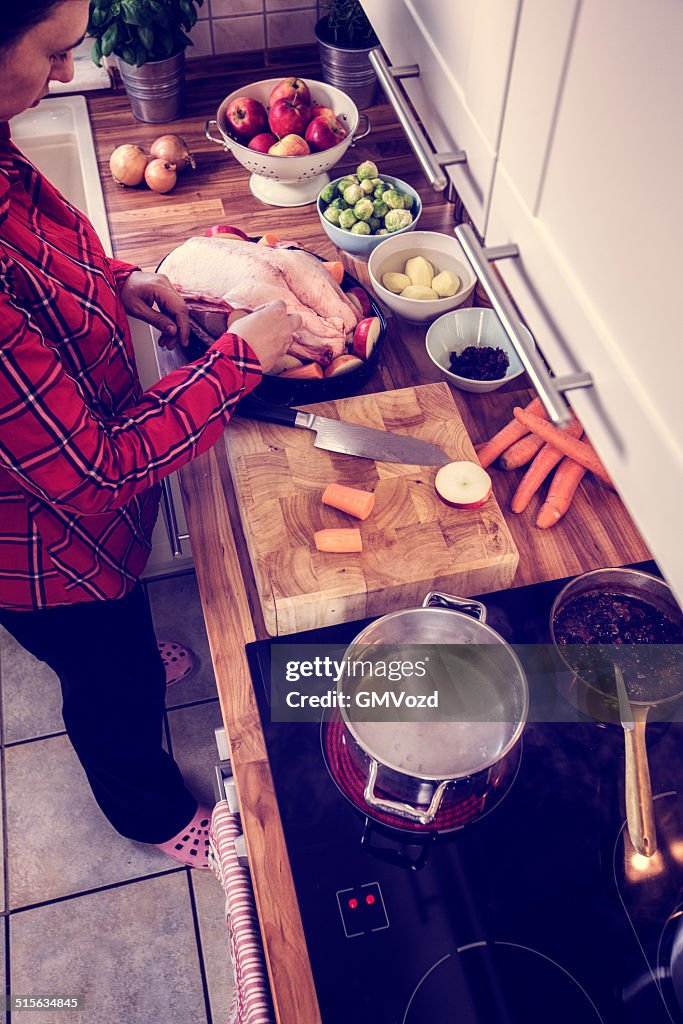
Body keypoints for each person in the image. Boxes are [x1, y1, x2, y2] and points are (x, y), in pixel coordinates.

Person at [0, 1, 300, 868]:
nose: (67, 72)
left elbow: (52, 253)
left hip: (79, 527)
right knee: (106, 685)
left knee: (119, 625)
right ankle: (150, 814)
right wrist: (239, 360)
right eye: (54, 53)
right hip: (43, 551)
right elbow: (93, 473)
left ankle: (126, 650)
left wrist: (121, 281)